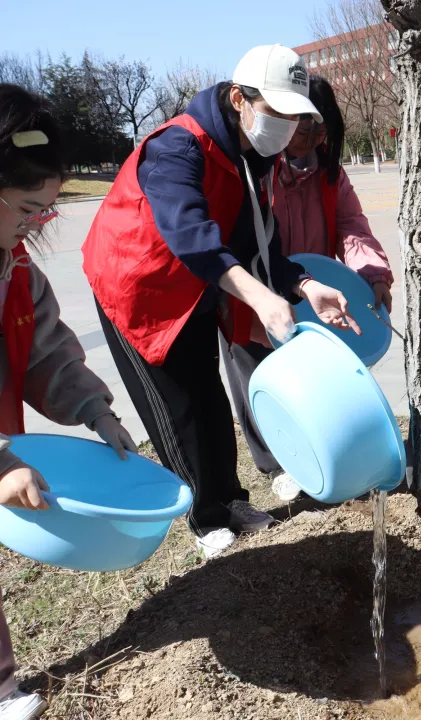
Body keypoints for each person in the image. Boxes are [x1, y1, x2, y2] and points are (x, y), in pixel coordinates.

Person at [83, 45, 358, 559]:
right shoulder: (177, 146)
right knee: (178, 406)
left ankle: (230, 499)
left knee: (210, 397)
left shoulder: (252, 156)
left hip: (196, 286)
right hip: (138, 289)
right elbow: (193, 238)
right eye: (277, 112)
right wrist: (261, 298)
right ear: (239, 99)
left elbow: (259, 241)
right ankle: (203, 516)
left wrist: (303, 286)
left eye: (295, 116)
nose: (286, 127)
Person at [0, 84, 137, 720]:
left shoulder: (16, 270)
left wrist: (95, 409)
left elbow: (49, 353)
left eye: (46, 212)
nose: (35, 225)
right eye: (28, 208)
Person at [221, 75, 395, 502]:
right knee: (258, 375)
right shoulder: (256, 167)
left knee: (313, 383)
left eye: (320, 131)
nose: (312, 140)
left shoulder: (329, 173)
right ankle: (276, 464)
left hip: (312, 294)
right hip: (254, 294)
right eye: (303, 129)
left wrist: (372, 273)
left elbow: (352, 227)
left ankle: (323, 455)